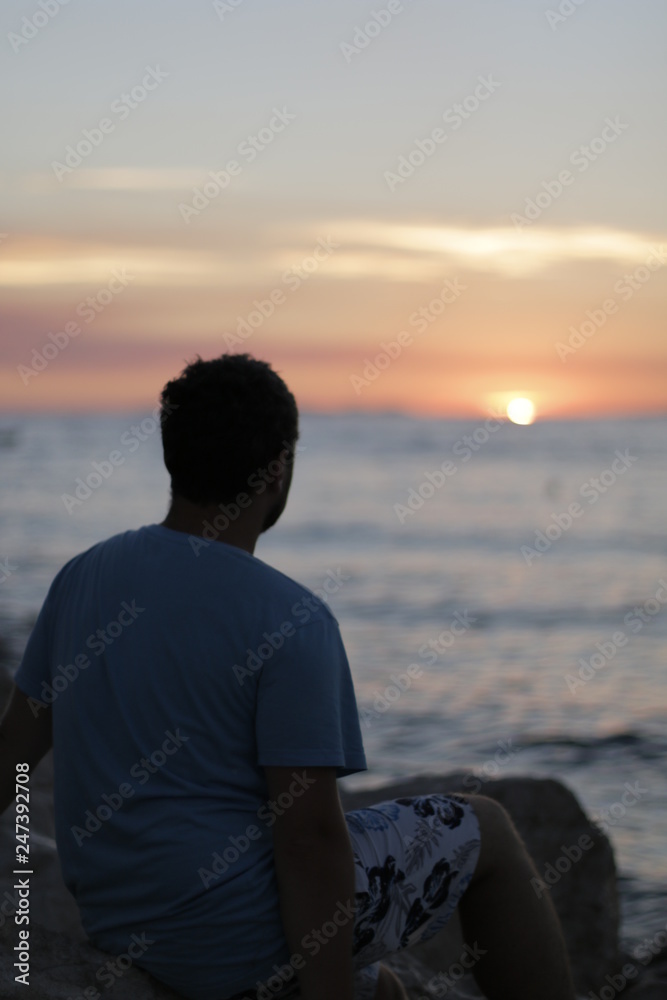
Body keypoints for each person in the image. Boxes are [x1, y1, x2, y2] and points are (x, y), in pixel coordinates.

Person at [0, 353, 576, 1000]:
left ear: (171, 457)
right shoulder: (291, 619)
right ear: (278, 471)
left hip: (123, 924)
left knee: (382, 990)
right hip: (234, 937)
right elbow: (309, 836)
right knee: (488, 827)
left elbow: (12, 759)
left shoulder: (82, 576)